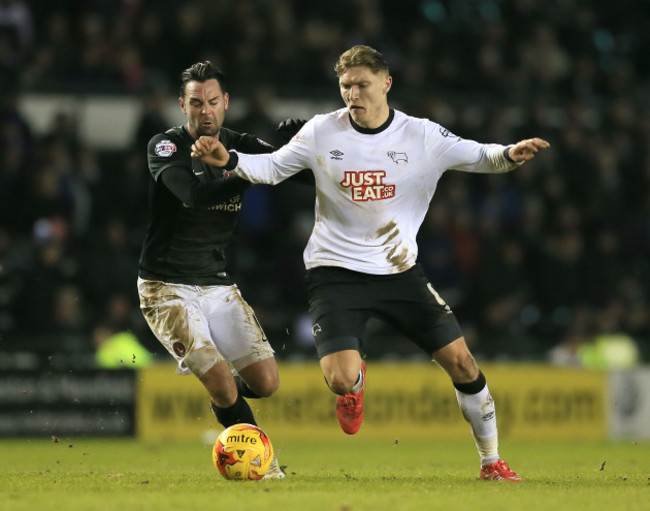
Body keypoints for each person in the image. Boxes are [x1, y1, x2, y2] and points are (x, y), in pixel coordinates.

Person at [191, 45, 551, 482]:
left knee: (462, 364)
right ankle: (354, 388)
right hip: (334, 274)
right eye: (346, 87)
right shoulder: (323, 131)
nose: (353, 94)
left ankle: (491, 461)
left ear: (386, 83)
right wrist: (229, 160)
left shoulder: (421, 136)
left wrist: (511, 153)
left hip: (400, 272)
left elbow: (480, 156)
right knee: (341, 378)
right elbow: (273, 168)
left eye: (362, 85)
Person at [137, 61, 305, 479]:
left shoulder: (238, 143)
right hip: (166, 287)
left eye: (213, 101)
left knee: (267, 383)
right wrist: (245, 169)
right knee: (224, 385)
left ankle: (222, 390)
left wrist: (303, 144)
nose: (205, 110)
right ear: (182, 105)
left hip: (217, 284)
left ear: (226, 103)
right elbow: (193, 195)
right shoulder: (165, 147)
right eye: (196, 103)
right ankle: (265, 466)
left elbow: (296, 174)